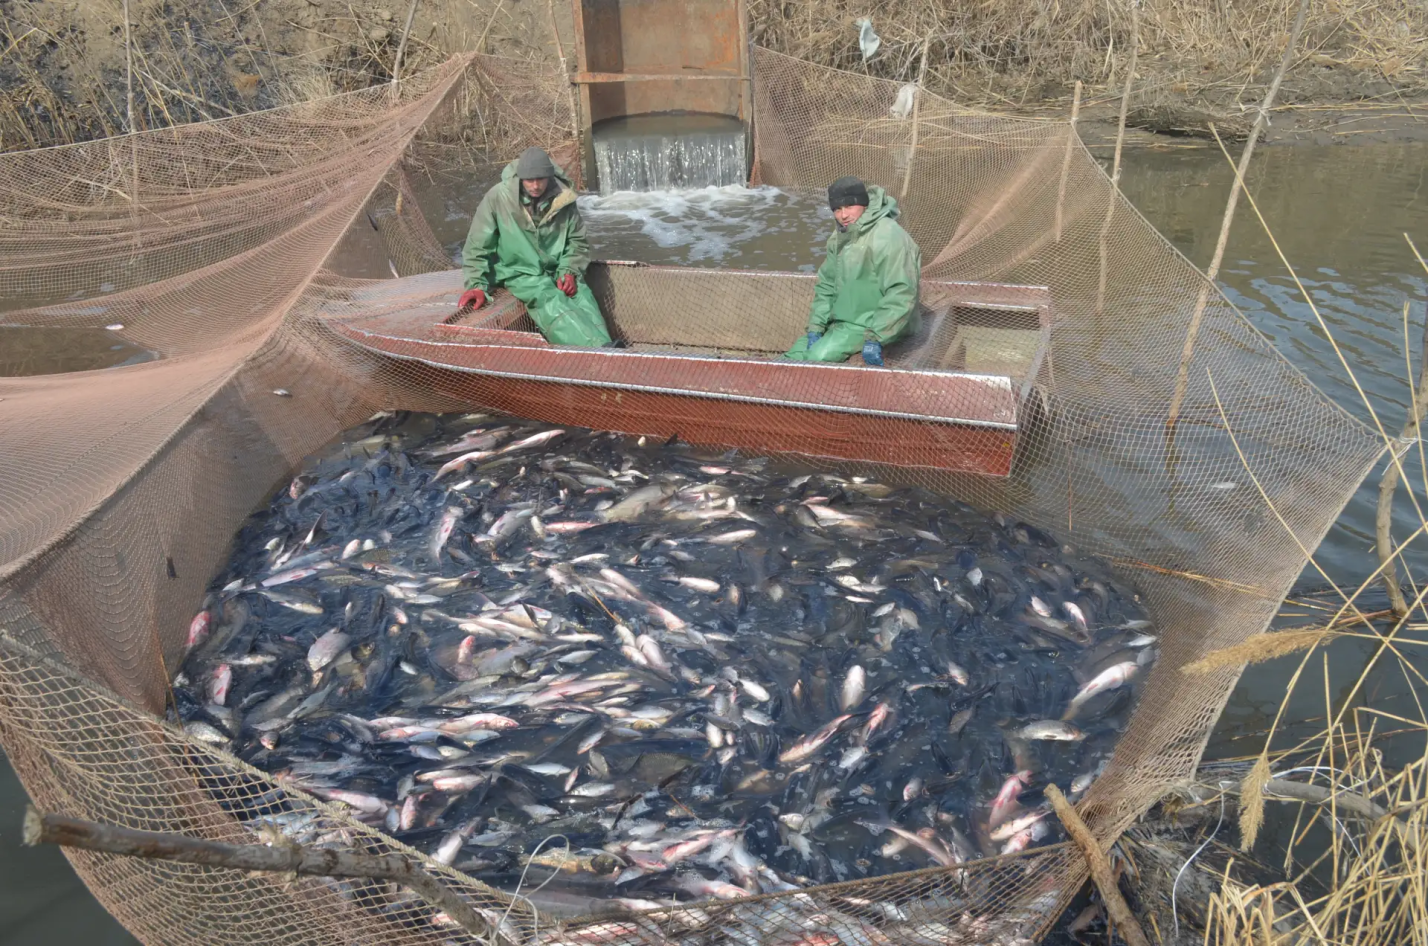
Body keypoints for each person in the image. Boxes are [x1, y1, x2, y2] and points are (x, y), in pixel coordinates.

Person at [458, 146, 613, 347]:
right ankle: (596, 353)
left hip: (556, 267)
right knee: (547, 297)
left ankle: (608, 347)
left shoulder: (564, 199)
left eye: (540, 179)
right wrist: (477, 285)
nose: (535, 185)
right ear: (520, 178)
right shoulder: (498, 197)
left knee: (581, 294)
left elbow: (577, 241)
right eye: (529, 180)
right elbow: (477, 246)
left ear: (549, 176)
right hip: (518, 270)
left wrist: (568, 270)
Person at [784, 176, 921, 366]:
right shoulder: (839, 237)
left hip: (870, 324)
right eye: (837, 209)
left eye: (849, 206)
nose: (843, 215)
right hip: (840, 323)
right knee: (792, 356)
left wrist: (876, 337)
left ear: (864, 204)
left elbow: (902, 292)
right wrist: (816, 327)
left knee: (815, 359)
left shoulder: (888, 236)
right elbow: (826, 285)